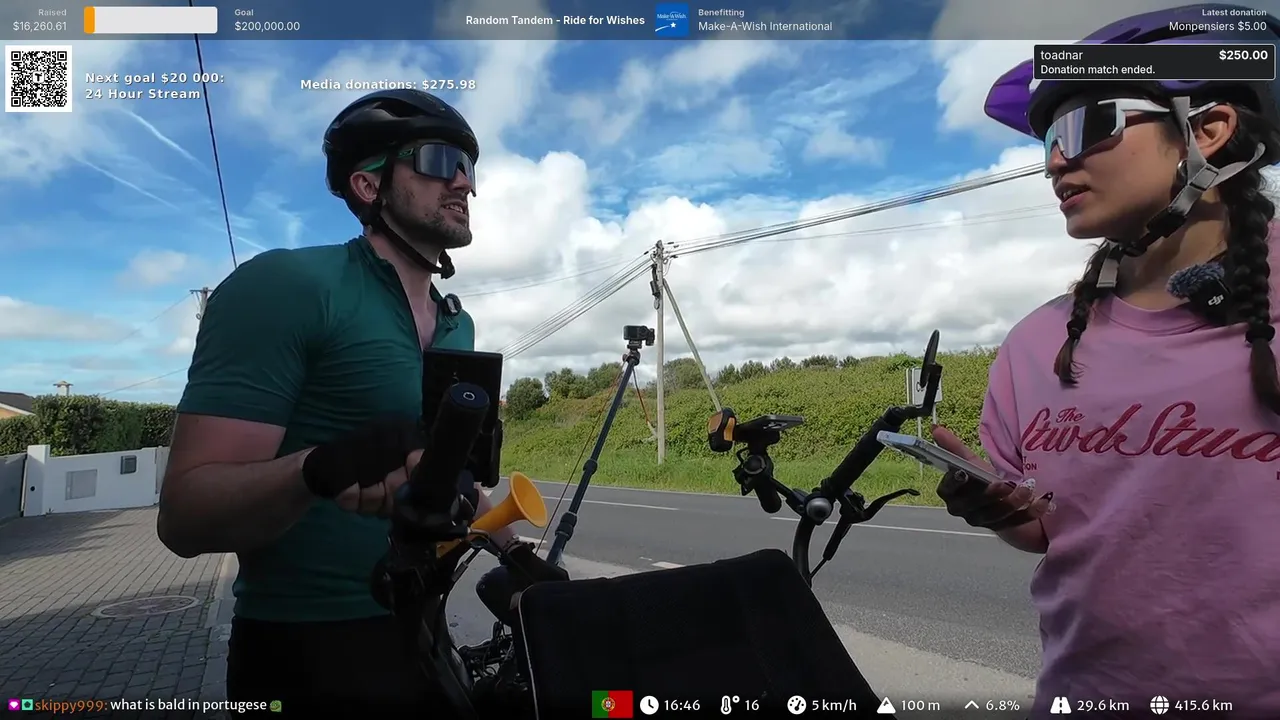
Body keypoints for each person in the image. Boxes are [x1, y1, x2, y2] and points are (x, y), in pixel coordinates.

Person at [155, 89, 564, 715]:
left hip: (426, 636)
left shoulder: (459, 327)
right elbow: (184, 517)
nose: (463, 182)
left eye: (467, 167)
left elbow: (444, 475)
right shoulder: (288, 286)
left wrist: (516, 553)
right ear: (368, 186)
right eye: (437, 160)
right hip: (305, 650)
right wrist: (318, 468)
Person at [929, 5, 1280, 717]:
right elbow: (1049, 531)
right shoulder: (1036, 345)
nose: (1057, 162)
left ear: (1208, 130)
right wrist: (996, 509)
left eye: (1088, 125)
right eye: (1048, 142)